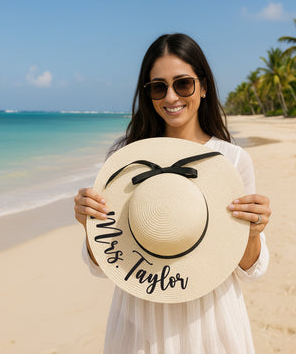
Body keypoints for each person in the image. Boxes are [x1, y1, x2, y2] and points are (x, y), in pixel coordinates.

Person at [74, 33, 271, 353]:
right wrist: (88, 224)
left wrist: (253, 232)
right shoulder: (126, 161)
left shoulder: (233, 161)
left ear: (203, 86)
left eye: (183, 84)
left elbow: (247, 269)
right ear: (147, 93)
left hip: (210, 319)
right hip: (139, 319)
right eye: (157, 86)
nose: (171, 96)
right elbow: (104, 263)